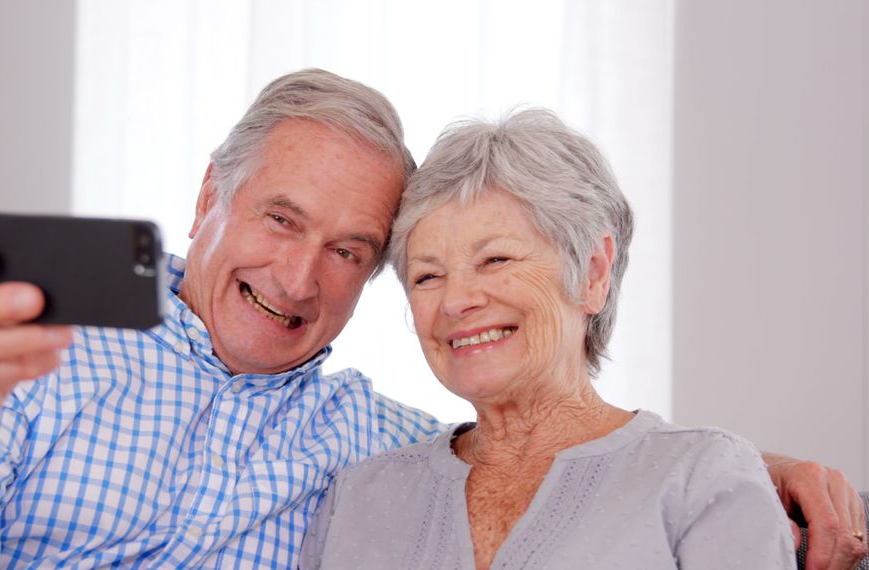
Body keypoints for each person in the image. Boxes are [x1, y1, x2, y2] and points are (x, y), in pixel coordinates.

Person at [0, 69, 865, 569]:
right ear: (210, 198)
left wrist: (736, 470)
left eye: (352, 253)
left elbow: (548, 457)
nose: (298, 275)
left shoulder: (364, 446)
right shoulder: (39, 354)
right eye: (282, 218)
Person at [299, 110, 863, 570]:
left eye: (495, 259)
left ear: (592, 272)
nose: (455, 301)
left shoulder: (703, 475)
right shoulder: (355, 494)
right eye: (427, 276)